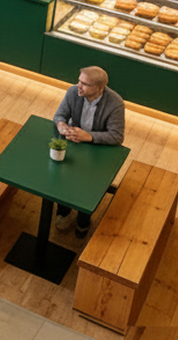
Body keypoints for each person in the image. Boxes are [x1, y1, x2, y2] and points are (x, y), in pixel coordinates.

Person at [52, 65, 126, 236]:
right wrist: (62, 125)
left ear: (100, 88)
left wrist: (89, 137)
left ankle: (83, 219)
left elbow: (117, 136)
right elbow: (59, 115)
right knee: (63, 176)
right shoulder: (73, 92)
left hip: (98, 149)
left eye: (85, 84)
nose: (79, 86)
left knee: (89, 185)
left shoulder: (115, 103)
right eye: (79, 81)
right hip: (74, 142)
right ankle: (63, 211)